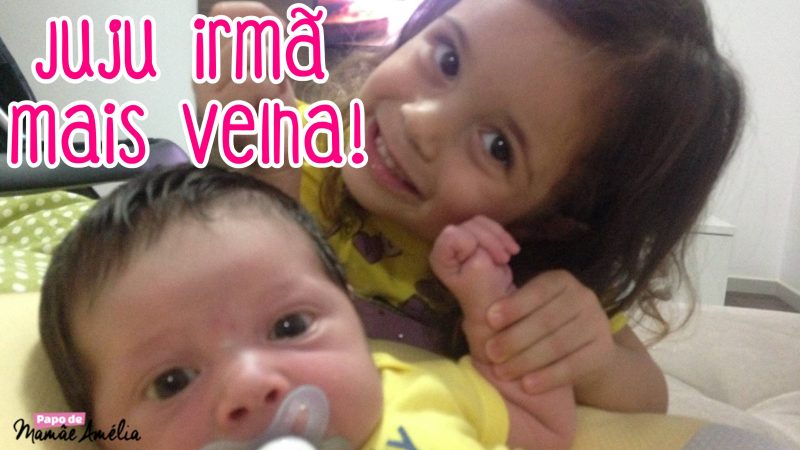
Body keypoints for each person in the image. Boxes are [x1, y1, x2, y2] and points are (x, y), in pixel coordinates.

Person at [195, 0, 744, 414]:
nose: (422, 122)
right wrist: (257, 182)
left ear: (553, 221)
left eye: (497, 146)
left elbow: (647, 396)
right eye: (448, 58)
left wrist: (595, 362)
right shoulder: (294, 153)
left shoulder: (519, 275)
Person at [39, 165, 575, 450]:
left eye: (290, 325)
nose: (250, 385)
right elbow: (51, 426)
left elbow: (542, 425)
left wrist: (487, 302)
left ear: (353, 315)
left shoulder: (418, 389)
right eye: (171, 381)